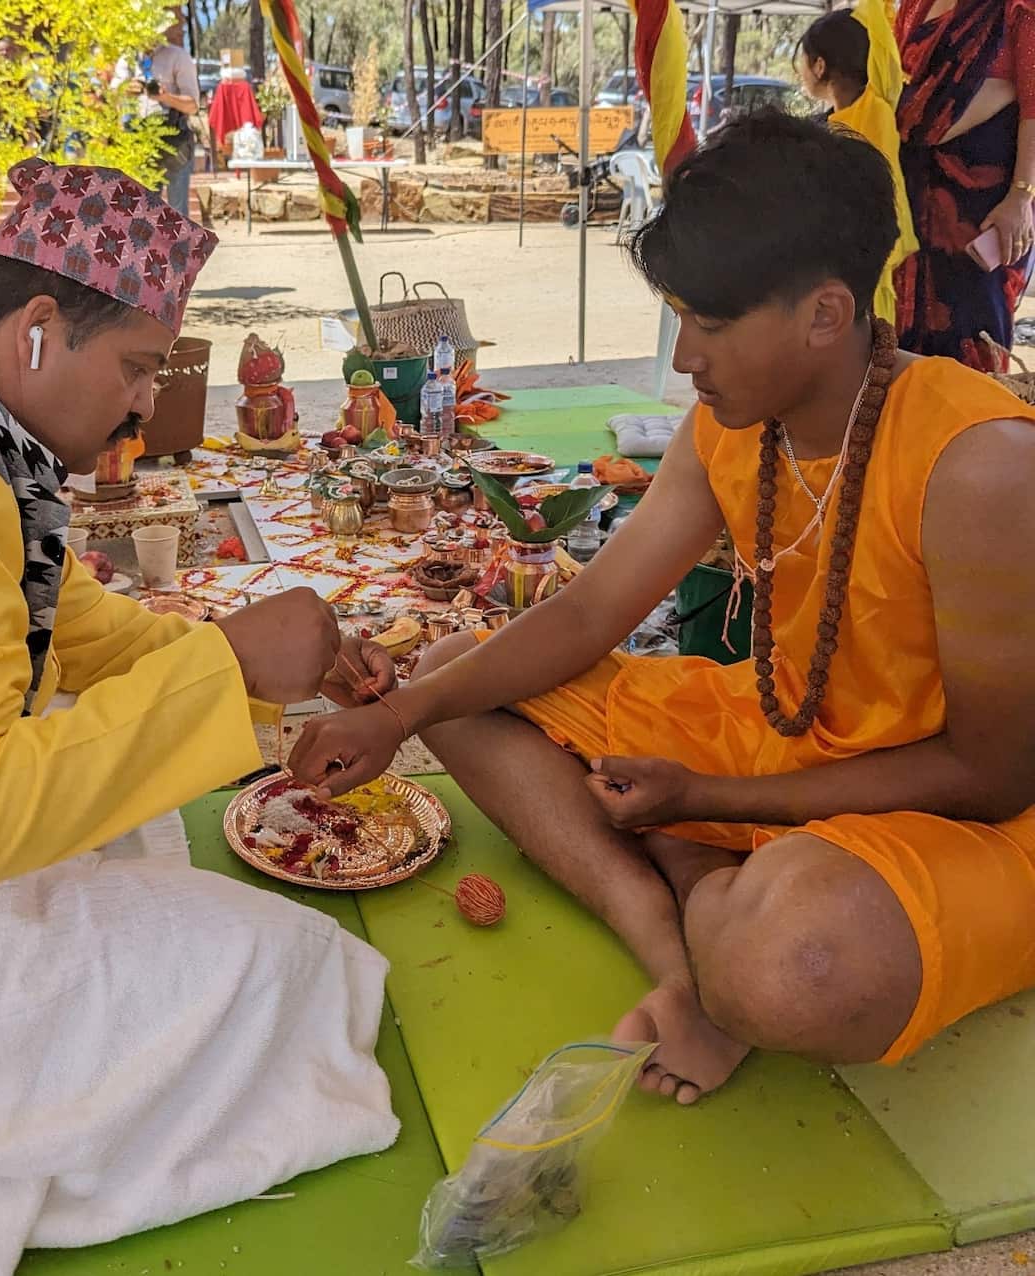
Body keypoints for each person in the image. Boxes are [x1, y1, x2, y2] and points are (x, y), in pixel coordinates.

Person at [290, 111, 1035, 1105]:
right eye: (680, 316)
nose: (684, 356)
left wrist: (701, 802)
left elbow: (987, 776)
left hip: (958, 816)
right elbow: (588, 613)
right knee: (445, 683)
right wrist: (392, 718)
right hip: (775, 743)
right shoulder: (732, 427)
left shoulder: (979, 464)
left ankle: (706, 897)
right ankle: (672, 935)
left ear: (823, 313)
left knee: (791, 970)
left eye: (711, 323)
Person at [0, 158, 394, 1214]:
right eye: (140, 367)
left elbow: (83, 632)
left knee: (169, 892)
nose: (146, 406)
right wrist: (228, 666)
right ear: (38, 327)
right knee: (292, 971)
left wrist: (265, 654)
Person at [896, 0, 1035, 370]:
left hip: (982, 206)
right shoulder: (914, 5)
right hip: (908, 196)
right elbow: (894, 91)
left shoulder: (1017, 9)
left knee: (972, 335)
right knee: (900, 341)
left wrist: (1022, 195)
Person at [797, 0, 917, 327]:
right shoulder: (833, 122)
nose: (800, 72)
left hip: (858, 259)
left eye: (803, 62)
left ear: (820, 65)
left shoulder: (873, 111)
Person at [147, 21, 201, 216]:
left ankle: (179, 247)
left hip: (174, 140)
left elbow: (193, 105)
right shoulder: (126, 61)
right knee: (141, 213)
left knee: (176, 213)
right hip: (139, 144)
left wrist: (164, 96)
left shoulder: (178, 57)